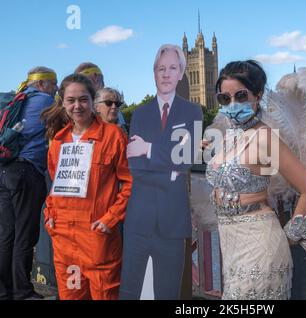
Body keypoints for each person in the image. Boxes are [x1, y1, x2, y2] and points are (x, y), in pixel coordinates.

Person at [205, 60, 306, 300]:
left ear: (257, 96)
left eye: (240, 96)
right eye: (224, 99)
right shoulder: (229, 138)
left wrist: (289, 237)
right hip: (230, 248)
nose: (232, 104)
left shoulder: (265, 138)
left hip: (261, 248)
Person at [120, 44, 203, 300]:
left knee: (168, 292)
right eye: (161, 68)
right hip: (138, 219)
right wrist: (169, 165)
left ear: (181, 74)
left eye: (173, 68)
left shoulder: (193, 111)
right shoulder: (140, 113)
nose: (166, 74)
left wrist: (149, 148)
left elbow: (188, 158)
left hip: (173, 221)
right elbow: (135, 166)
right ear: (154, 73)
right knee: (131, 292)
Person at [44, 74, 132, 300]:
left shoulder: (113, 136)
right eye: (71, 100)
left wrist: (110, 219)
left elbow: (131, 184)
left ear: (92, 101)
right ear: (62, 102)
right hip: (64, 239)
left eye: (83, 99)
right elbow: (55, 186)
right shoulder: (58, 142)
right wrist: (50, 215)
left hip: (97, 238)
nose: (77, 106)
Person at [0, 66, 58, 300]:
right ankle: (22, 292)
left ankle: (4, 292)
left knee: (6, 236)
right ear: (43, 84)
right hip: (27, 171)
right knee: (25, 235)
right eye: (54, 84)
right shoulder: (45, 100)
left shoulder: (15, 100)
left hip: (4, 169)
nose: (56, 89)